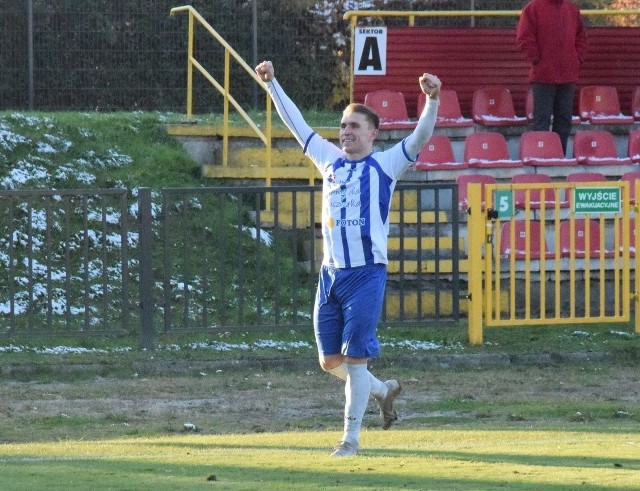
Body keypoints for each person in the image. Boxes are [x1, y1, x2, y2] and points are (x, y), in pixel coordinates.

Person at [255, 60, 441, 457]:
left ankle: (350, 440)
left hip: (366, 275)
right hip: (331, 275)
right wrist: (273, 85)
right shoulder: (329, 161)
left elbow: (422, 136)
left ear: (372, 133)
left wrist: (432, 100)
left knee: (355, 361)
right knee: (329, 361)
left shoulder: (386, 163)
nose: (345, 132)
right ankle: (382, 389)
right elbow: (298, 126)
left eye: (353, 126)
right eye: (342, 126)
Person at [516, 0, 588, 156]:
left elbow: (581, 36)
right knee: (541, 120)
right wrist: (537, 59)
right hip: (543, 76)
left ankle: (559, 157)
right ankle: (541, 157)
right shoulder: (533, 8)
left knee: (564, 121)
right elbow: (524, 37)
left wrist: (576, 58)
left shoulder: (571, 9)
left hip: (567, 76)